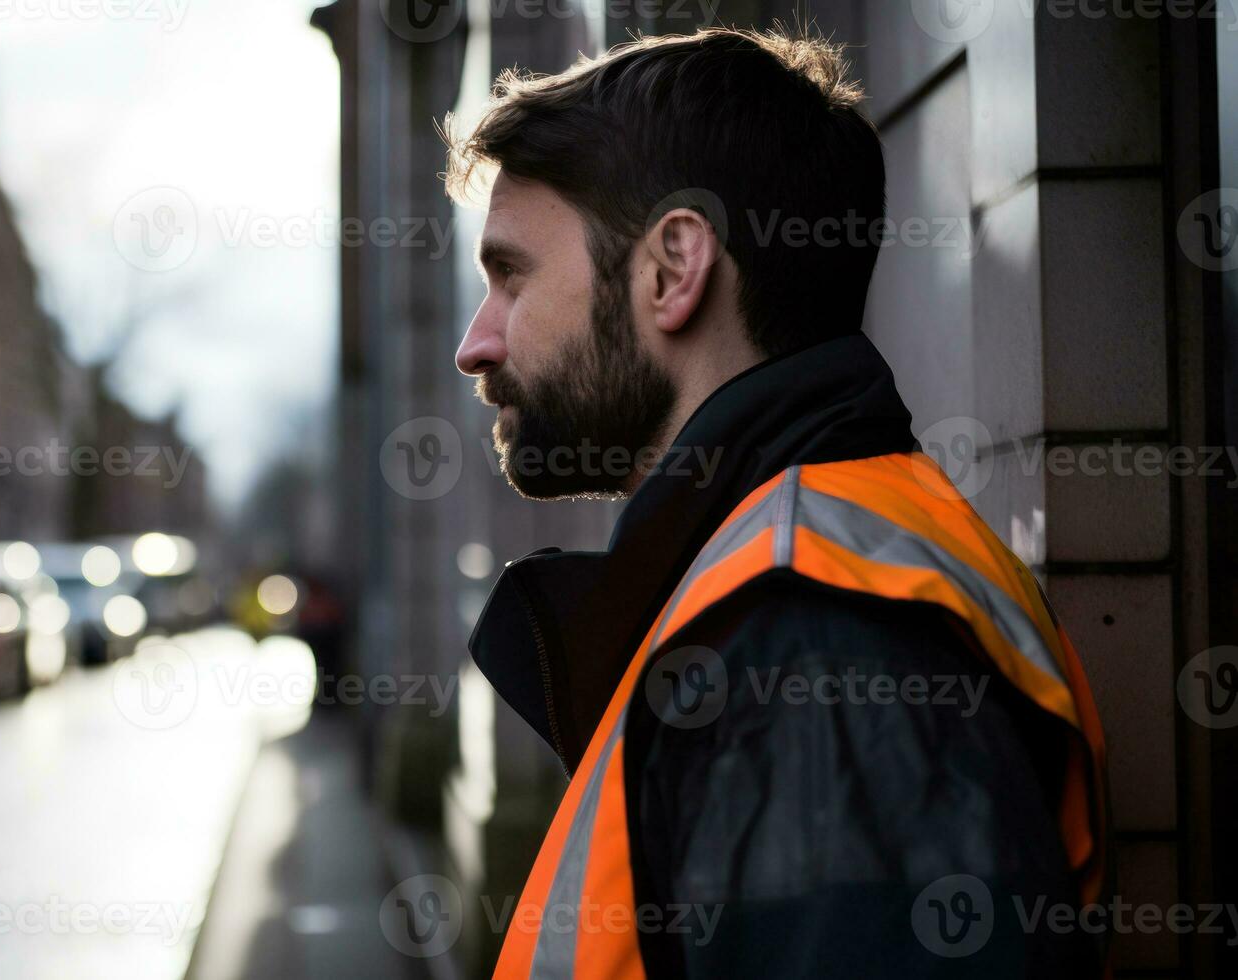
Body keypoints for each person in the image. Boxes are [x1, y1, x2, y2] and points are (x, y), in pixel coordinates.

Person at [448, 27, 1108, 979]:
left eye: (510, 274)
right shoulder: (786, 578)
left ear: (674, 269)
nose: (476, 343)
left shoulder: (814, 645)